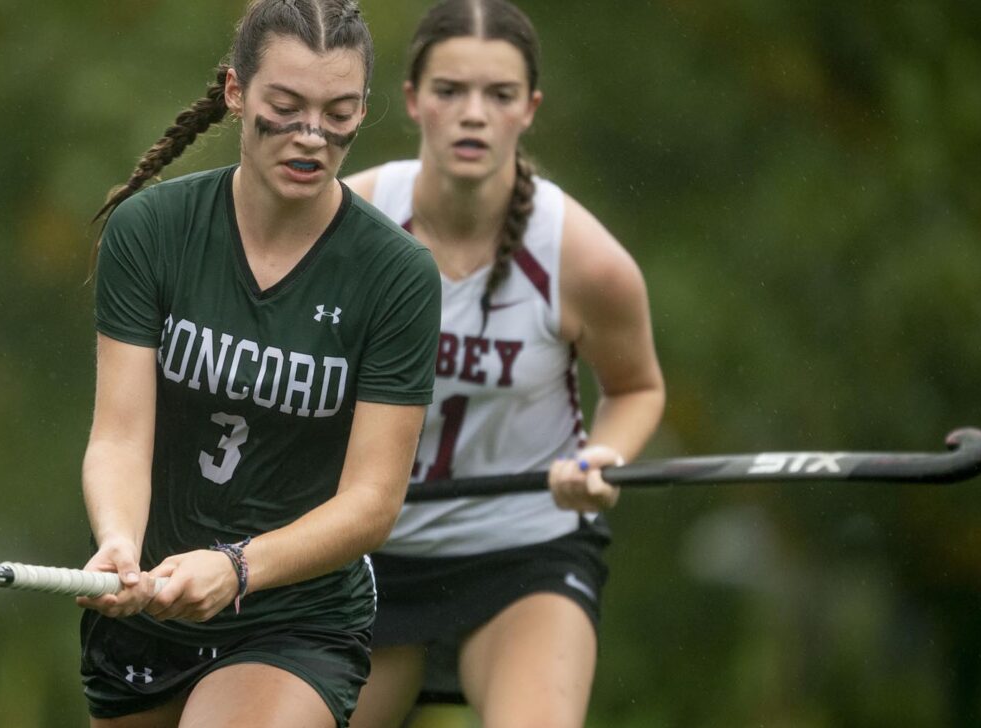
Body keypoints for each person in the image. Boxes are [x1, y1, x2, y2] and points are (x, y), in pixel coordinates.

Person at [75, 2, 442, 727]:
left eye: (338, 112)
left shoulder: (396, 276)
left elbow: (372, 502)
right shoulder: (150, 232)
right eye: (286, 106)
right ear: (237, 93)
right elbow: (119, 436)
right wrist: (117, 538)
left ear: (363, 110)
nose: (312, 136)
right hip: (149, 604)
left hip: (294, 619)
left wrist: (238, 568)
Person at [342, 1, 666, 726]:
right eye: (450, 91)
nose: (473, 115)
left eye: (500, 95)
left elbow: (637, 387)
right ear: (411, 100)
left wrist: (603, 456)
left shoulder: (583, 259)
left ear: (530, 109)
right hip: (364, 552)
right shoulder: (348, 225)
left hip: (526, 551)